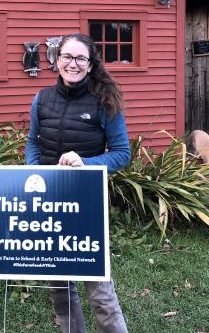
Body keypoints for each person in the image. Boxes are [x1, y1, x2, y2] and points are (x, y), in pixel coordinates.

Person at [25, 33, 131, 333]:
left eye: (80, 58)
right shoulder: (41, 99)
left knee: (99, 289)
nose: (73, 64)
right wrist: (35, 172)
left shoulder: (105, 101)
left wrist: (87, 163)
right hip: (48, 200)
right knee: (59, 286)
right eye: (67, 57)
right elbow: (33, 142)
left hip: (86, 202)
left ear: (90, 63)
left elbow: (122, 154)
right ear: (57, 61)